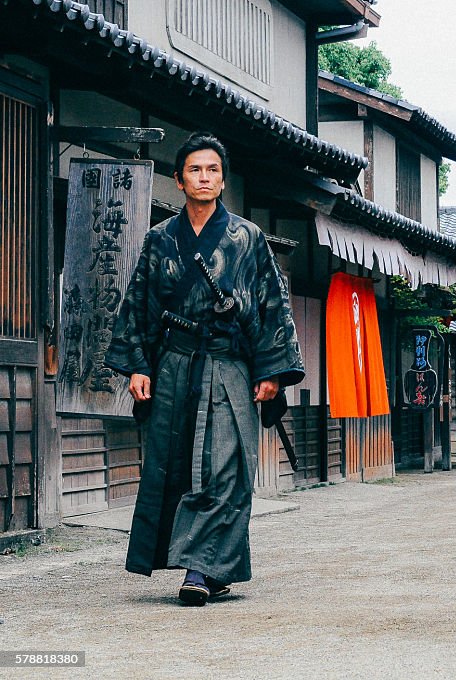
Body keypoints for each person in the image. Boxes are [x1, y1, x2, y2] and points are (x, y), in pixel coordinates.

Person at [106, 132, 304, 606]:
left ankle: (202, 569)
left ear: (222, 178)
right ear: (178, 180)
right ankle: (205, 567)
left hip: (229, 364)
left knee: (225, 466)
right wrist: (137, 364)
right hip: (174, 365)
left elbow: (273, 306)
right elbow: (139, 306)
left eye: (212, 170)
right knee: (173, 464)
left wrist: (271, 371)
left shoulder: (247, 238)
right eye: (194, 169)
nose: (204, 177)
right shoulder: (159, 240)